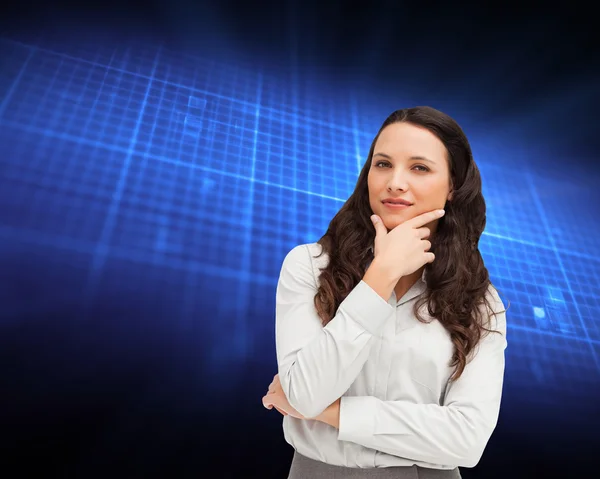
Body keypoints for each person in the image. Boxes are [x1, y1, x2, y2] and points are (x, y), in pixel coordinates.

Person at [262, 106, 508, 479]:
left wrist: (330, 413)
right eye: (382, 164)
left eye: (419, 168)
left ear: (453, 186)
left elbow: (467, 440)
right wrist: (381, 276)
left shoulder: (479, 300)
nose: (395, 182)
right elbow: (307, 393)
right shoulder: (309, 267)